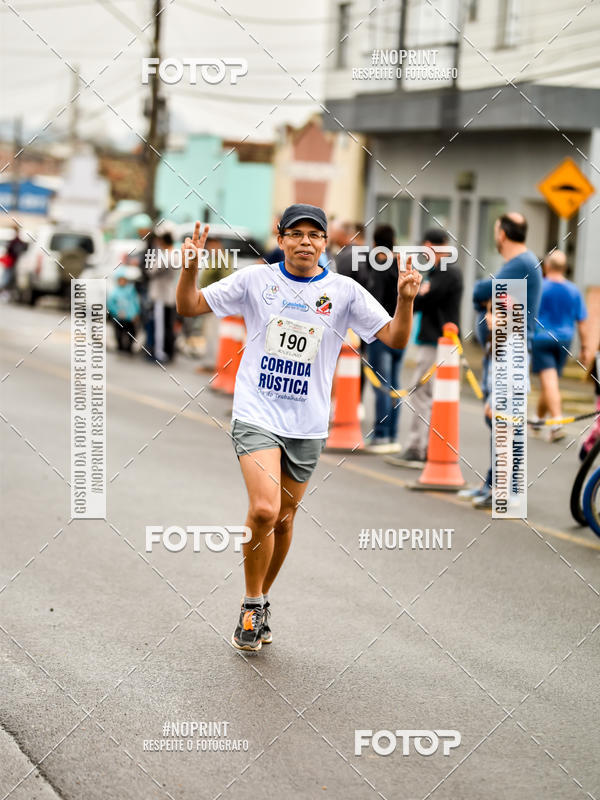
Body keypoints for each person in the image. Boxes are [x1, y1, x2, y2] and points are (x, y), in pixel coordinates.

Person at [176, 203, 422, 651]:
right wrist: (189, 270)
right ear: (281, 238)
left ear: (325, 242)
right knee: (265, 510)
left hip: (307, 423)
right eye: (296, 233)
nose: (305, 241)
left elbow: (396, 339)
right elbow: (189, 305)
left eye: (314, 234)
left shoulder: (344, 291)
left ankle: (262, 600)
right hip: (256, 413)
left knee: (285, 520)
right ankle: (251, 607)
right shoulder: (256, 280)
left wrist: (405, 301)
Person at [470, 212, 542, 509]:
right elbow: (489, 297)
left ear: (501, 234)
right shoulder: (517, 265)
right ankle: (495, 483)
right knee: (498, 417)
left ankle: (507, 490)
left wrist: (487, 298)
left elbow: (481, 291)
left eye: (496, 229)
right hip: (502, 346)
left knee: (503, 420)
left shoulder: (521, 265)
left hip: (509, 348)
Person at [385, 228, 463, 469]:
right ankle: (426, 447)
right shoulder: (445, 271)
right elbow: (421, 297)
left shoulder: (446, 271)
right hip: (441, 341)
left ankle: (417, 448)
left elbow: (421, 300)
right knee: (432, 396)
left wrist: (416, 293)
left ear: (429, 245)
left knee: (422, 394)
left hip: (435, 342)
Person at [532, 250, 590, 442]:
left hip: (541, 339)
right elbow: (582, 322)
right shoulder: (574, 291)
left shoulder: (539, 287)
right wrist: (585, 348)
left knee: (549, 381)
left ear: (547, 267)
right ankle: (539, 419)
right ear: (564, 268)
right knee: (550, 381)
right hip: (564, 340)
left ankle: (556, 423)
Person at [364, 224, 404, 454]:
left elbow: (374, 300)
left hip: (382, 332)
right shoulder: (399, 265)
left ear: (375, 243)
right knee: (395, 385)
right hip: (400, 331)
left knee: (381, 384)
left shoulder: (379, 266)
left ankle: (381, 434)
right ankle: (392, 434)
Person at [146, 228, 178, 364]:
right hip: (169, 294)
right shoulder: (176, 253)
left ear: (162, 241)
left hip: (161, 295)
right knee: (167, 325)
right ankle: (169, 352)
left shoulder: (166, 255)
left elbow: (151, 271)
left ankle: (160, 353)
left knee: (160, 326)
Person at [107, 267, 141, 353]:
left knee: (132, 332)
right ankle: (120, 346)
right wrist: (116, 312)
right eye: (120, 280)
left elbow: (135, 302)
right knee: (118, 332)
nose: (122, 282)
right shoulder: (114, 292)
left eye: (124, 280)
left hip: (129, 317)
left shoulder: (130, 290)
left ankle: (129, 347)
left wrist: (135, 313)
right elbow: (110, 304)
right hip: (119, 316)